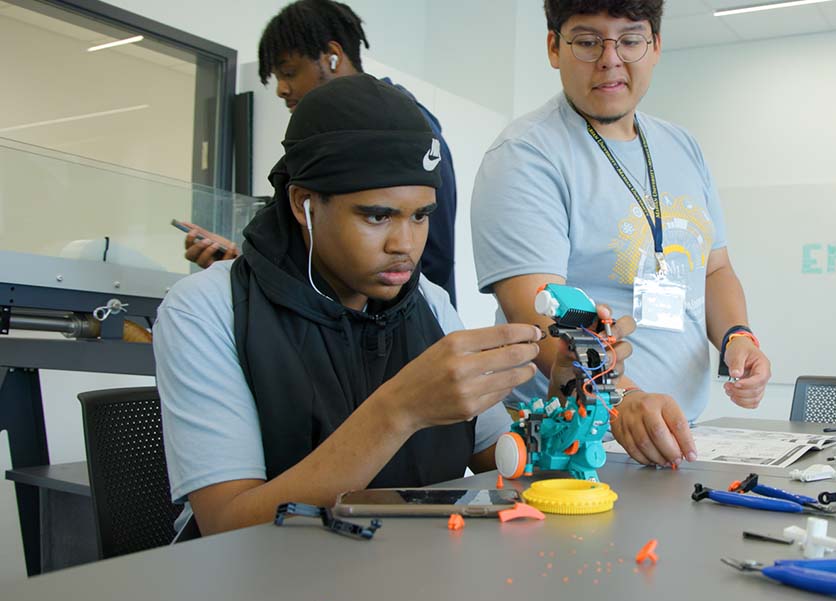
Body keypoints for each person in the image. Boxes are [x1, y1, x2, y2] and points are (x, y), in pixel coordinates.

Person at [156, 75, 557, 536]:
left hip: (417, 580)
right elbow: (227, 526)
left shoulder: (429, 302)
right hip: (270, 592)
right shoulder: (208, 309)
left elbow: (501, 461)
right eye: (377, 215)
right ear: (304, 203)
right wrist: (399, 410)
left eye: (421, 216)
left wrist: (566, 398)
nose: (405, 245)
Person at [471, 0, 771, 468]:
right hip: (574, 437)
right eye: (588, 42)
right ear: (554, 47)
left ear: (655, 47)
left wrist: (738, 336)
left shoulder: (682, 147)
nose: (611, 59)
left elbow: (715, 268)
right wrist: (622, 398)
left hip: (678, 435)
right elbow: (539, 310)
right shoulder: (525, 156)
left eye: (630, 40)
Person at [184, 0, 460, 306]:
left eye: (289, 72)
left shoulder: (409, 131)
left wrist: (419, 323)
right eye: (378, 215)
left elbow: (435, 258)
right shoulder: (318, 143)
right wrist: (248, 266)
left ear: (332, 57)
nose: (281, 89)